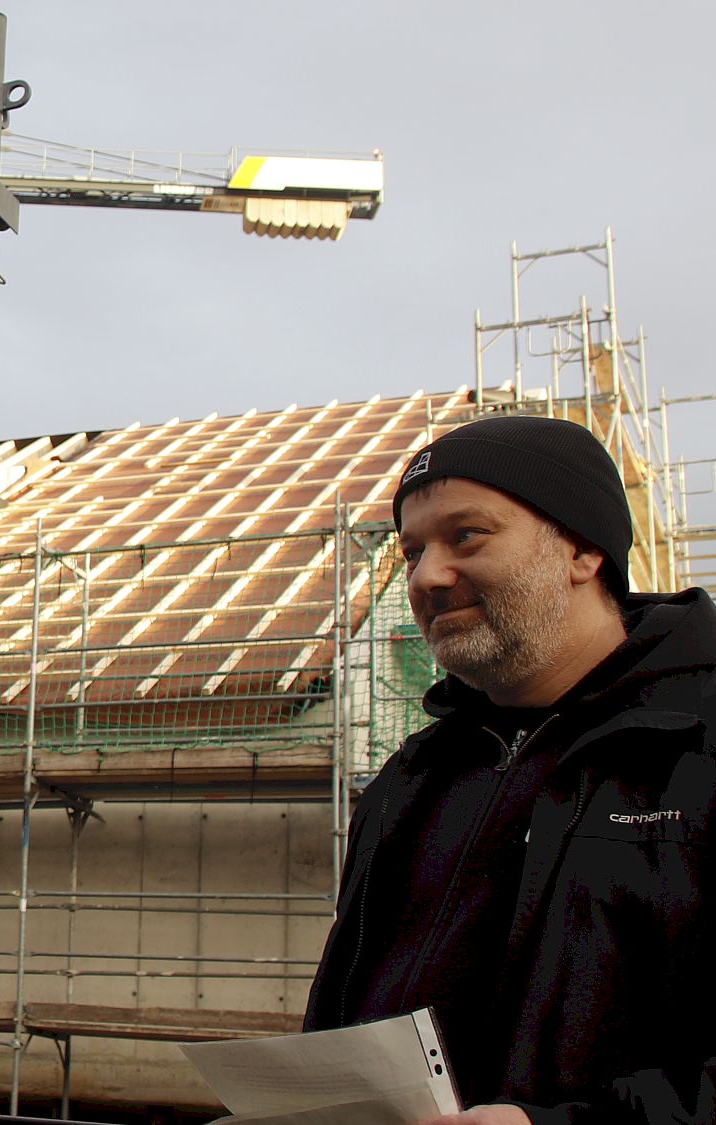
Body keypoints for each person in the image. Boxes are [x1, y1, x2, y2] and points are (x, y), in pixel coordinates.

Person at [305, 415, 716, 1124]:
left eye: (467, 535)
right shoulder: (410, 781)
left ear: (583, 549)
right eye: (411, 551)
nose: (427, 575)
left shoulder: (697, 751)